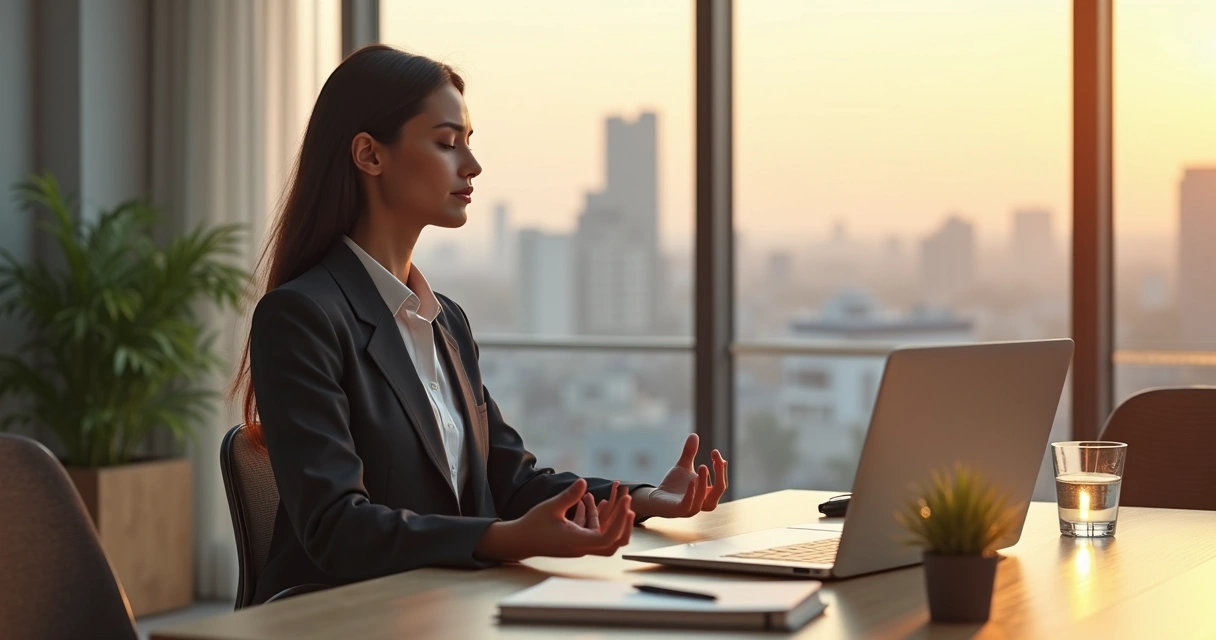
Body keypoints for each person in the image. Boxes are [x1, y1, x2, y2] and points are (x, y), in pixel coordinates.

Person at [231, 45, 729, 605]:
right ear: (370, 155)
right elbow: (337, 528)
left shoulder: (445, 321)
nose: (471, 165)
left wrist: (642, 500)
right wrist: (504, 539)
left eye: (469, 141)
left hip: (447, 604)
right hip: (344, 614)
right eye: (446, 143)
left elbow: (511, 482)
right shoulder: (302, 317)